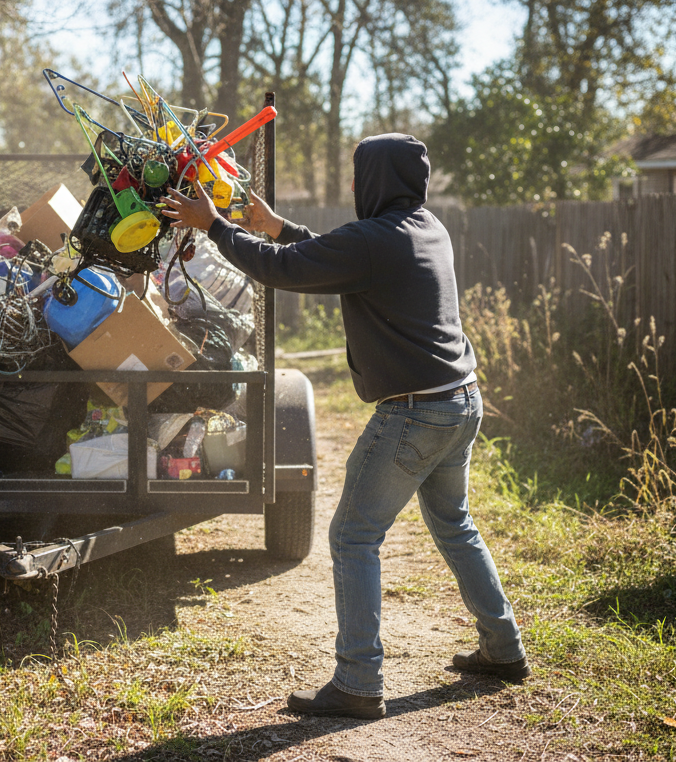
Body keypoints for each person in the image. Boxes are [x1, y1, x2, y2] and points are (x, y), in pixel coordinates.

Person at [160, 134, 529, 721]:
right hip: (462, 403)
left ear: (375, 181)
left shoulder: (375, 240)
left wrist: (214, 226)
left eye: (359, 177)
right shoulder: (426, 228)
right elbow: (333, 252)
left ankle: (358, 682)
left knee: (354, 536)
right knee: (455, 525)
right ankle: (504, 649)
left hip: (414, 413)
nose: (356, 188)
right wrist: (278, 225)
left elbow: (284, 269)